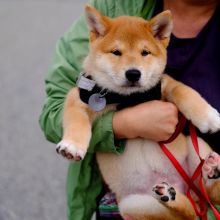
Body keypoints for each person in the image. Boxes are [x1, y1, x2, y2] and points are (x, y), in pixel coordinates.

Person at [39, 0, 220, 219]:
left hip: (197, 185)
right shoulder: (115, 8)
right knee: (133, 207)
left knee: (202, 154)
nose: (132, 67)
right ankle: (184, 205)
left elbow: (173, 89)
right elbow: (57, 110)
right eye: (117, 52)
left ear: (162, 35)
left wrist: (202, 113)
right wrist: (122, 125)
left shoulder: (161, 69)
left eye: (144, 53)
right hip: (137, 194)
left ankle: (204, 193)